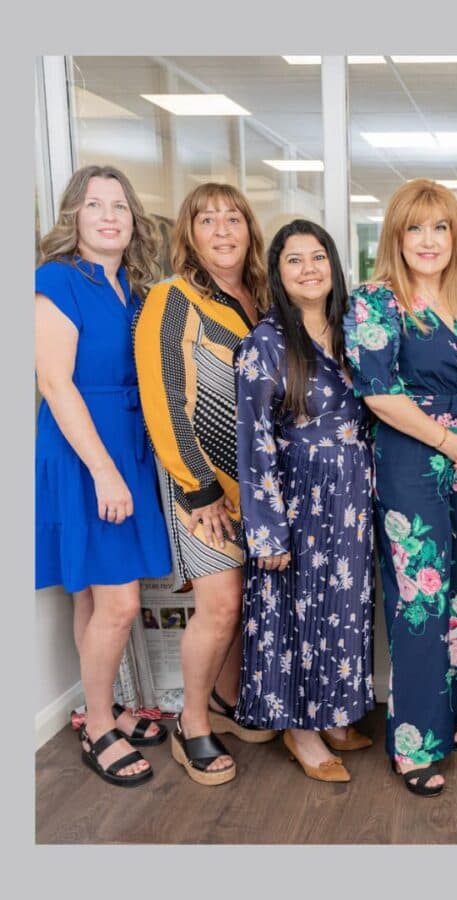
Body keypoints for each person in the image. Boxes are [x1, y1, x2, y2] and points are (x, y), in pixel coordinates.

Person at [342, 179, 457, 798]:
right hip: (413, 458)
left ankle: (447, 712)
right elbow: (379, 395)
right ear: (396, 236)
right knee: (418, 597)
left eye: (440, 228)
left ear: (455, 235)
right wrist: (449, 441)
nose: (428, 240)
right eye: (415, 228)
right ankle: (414, 741)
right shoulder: (375, 301)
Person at [35, 164, 172, 787]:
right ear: (75, 217)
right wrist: (104, 472)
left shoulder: (136, 291)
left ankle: (102, 707)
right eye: (95, 205)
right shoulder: (57, 280)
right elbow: (55, 383)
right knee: (118, 603)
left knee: (94, 592)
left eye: (120, 204)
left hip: (128, 447)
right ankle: (98, 725)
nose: (110, 215)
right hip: (85, 450)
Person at [135, 182, 275, 785]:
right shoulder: (172, 298)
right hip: (204, 486)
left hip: (261, 486)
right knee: (218, 606)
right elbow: (162, 398)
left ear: (250, 229)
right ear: (188, 234)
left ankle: (223, 700)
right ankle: (190, 724)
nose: (222, 230)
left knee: (244, 606)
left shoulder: (263, 301)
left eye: (233, 218)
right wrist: (200, 490)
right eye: (207, 219)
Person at [234, 219, 375, 783]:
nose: (309, 269)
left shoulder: (354, 332)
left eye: (318, 257)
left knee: (343, 612)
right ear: (278, 272)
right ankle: (300, 729)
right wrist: (267, 530)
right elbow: (253, 439)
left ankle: (335, 711)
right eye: (294, 260)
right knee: (296, 615)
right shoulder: (264, 343)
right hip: (296, 501)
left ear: (334, 266)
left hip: (353, 500)